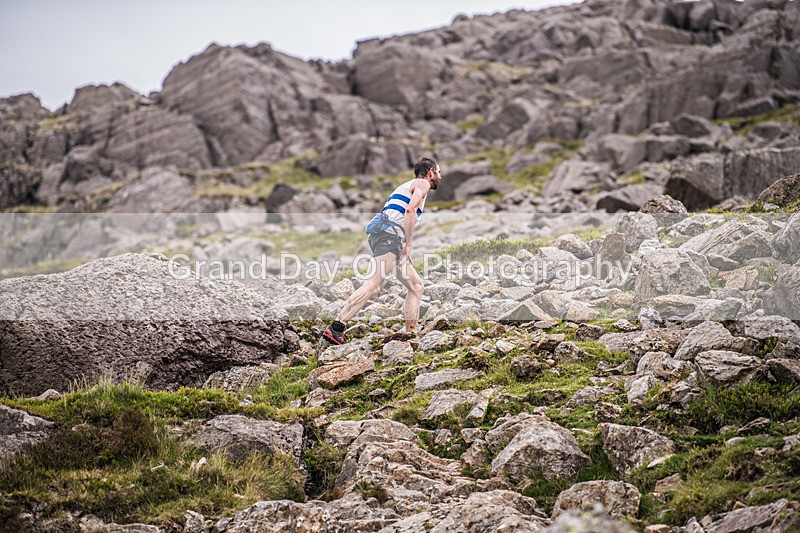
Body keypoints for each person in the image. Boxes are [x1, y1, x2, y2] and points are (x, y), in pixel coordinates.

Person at [320, 157, 442, 346]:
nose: (440, 177)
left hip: (389, 236)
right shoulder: (422, 183)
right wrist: (408, 244)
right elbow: (410, 210)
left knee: (416, 286)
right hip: (389, 237)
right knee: (374, 285)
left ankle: (411, 333)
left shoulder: (408, 185)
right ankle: (337, 327)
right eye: (439, 172)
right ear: (431, 172)